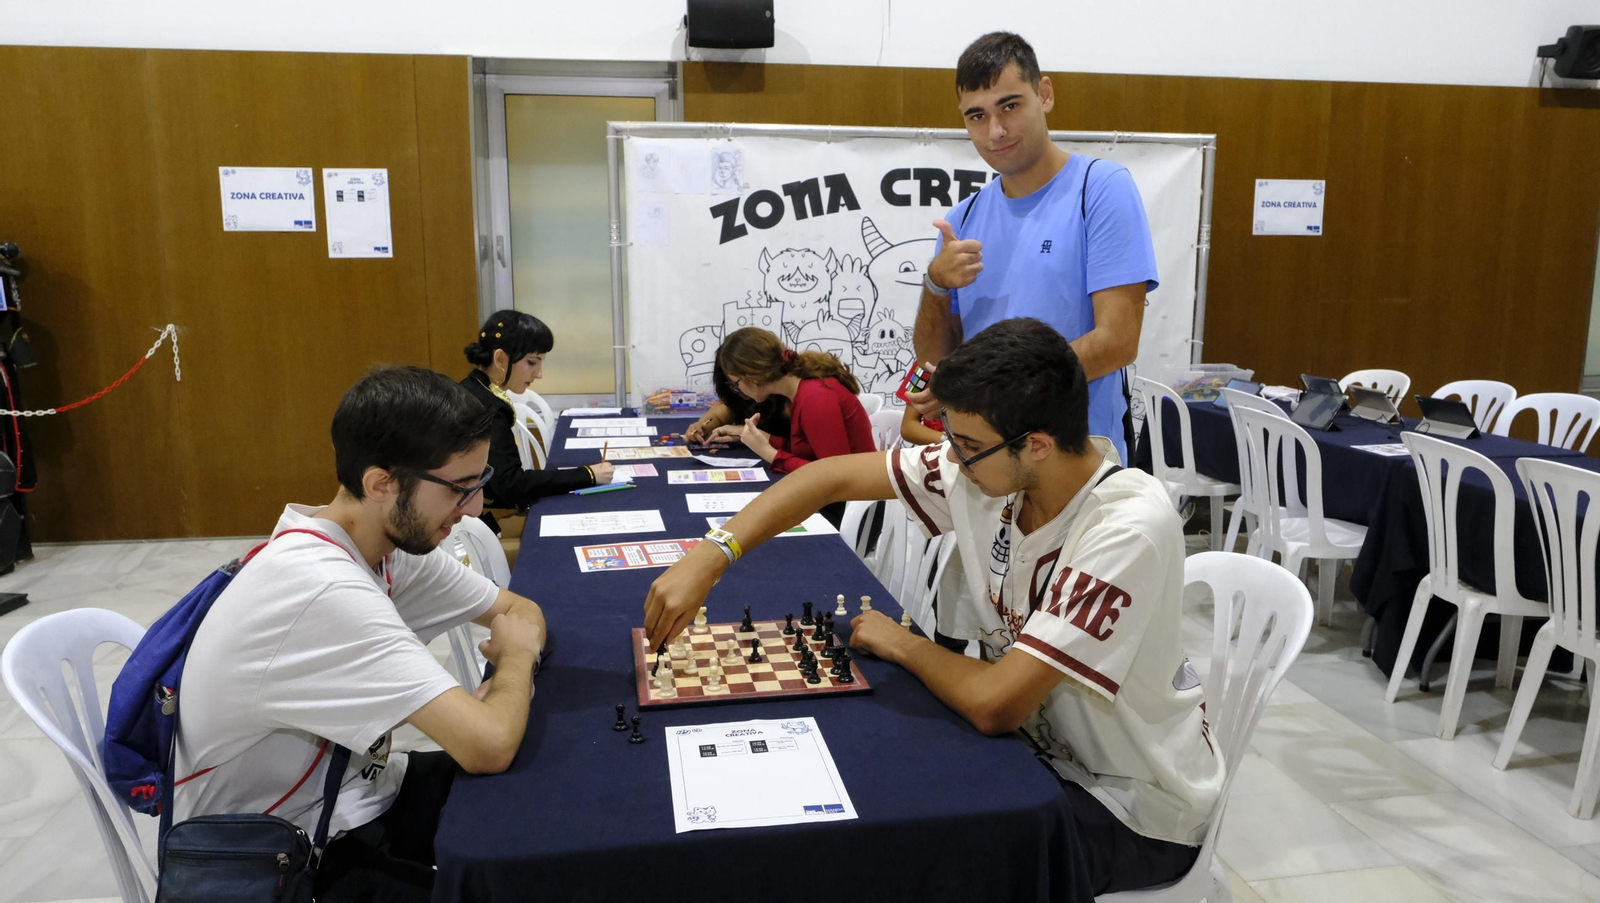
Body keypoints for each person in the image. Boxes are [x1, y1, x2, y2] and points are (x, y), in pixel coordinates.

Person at [644, 319, 1221, 895]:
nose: (951, 460)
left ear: (1038, 444)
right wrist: (714, 553)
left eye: (967, 448)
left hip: (1132, 805)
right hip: (1039, 756)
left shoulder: (1125, 529)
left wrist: (904, 643)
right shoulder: (991, 469)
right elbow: (829, 476)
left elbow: (996, 704)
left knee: (903, 854)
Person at [174, 366, 548, 901]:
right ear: (381, 483)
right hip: (280, 856)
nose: (475, 510)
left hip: (357, 793)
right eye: (460, 490)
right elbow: (488, 743)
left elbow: (522, 611)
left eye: (480, 484)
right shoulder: (322, 591)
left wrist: (509, 679)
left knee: (550, 794)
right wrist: (513, 665)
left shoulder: (384, 541)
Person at [913, 31, 1158, 463]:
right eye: (976, 115)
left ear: (1044, 94)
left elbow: (1117, 341)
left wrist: (991, 395)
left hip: (1078, 461)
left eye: (1010, 106)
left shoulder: (1099, 189)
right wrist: (935, 284)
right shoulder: (962, 220)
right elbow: (937, 362)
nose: (996, 130)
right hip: (983, 465)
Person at [461, 310, 614, 532]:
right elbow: (512, 485)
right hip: (475, 529)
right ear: (501, 359)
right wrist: (587, 475)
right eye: (532, 362)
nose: (539, 374)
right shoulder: (487, 408)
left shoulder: (476, 390)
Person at [703, 327, 875, 476]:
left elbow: (834, 476)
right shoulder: (800, 391)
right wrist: (761, 437)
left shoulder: (815, 397)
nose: (738, 391)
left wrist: (769, 453)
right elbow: (808, 450)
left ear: (752, 376)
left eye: (736, 384)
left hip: (854, 505)